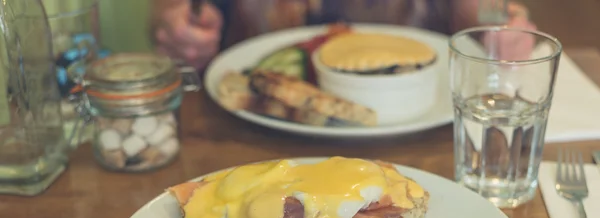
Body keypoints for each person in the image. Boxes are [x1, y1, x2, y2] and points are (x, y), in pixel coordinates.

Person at [151, 0, 536, 70]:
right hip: (248, 135)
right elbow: (177, 11)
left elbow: (484, 7)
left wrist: (499, 18)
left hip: (423, 138)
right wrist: (180, 26)